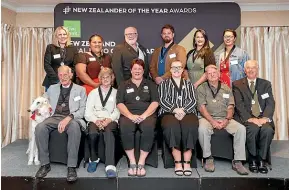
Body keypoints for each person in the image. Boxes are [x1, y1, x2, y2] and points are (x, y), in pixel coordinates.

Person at [35, 65, 87, 182]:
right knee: (40, 127)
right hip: (54, 117)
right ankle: (45, 164)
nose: (63, 77)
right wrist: (39, 110)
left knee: (74, 127)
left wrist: (69, 118)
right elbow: (43, 102)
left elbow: (82, 110)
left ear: (71, 75)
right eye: (60, 75)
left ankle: (71, 166)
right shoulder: (52, 88)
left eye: (65, 75)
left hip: (72, 118)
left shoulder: (80, 90)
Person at [197, 65, 248, 175]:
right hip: (207, 118)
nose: (212, 75)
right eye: (209, 73)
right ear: (206, 75)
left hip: (225, 117)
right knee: (202, 129)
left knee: (241, 129)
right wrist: (212, 121)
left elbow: (230, 106)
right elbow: (202, 108)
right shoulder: (201, 88)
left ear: (219, 74)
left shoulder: (226, 88)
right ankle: (208, 158)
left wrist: (227, 119)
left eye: (214, 73)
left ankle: (238, 161)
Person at [116, 58, 159, 177]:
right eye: (135, 68)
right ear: (131, 70)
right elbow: (119, 103)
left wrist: (144, 115)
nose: (137, 71)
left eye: (140, 69)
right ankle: (132, 162)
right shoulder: (123, 85)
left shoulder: (150, 84)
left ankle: (141, 162)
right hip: (128, 114)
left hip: (147, 114)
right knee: (125, 128)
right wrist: (130, 115)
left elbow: (155, 102)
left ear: (143, 70)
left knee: (148, 129)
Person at [232, 60, 275, 174]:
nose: (251, 70)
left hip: (262, 116)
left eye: (253, 68)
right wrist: (250, 118)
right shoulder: (237, 84)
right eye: (248, 68)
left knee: (267, 130)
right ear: (244, 70)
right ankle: (252, 159)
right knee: (253, 129)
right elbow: (239, 104)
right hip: (247, 117)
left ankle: (262, 160)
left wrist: (265, 118)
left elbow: (270, 103)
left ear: (257, 69)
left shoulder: (266, 84)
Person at [158, 60, 199, 176]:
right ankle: (177, 162)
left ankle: (187, 162)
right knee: (172, 126)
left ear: (182, 70)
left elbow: (193, 100)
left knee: (190, 126)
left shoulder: (189, 84)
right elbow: (162, 100)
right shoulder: (163, 84)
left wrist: (183, 111)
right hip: (169, 112)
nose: (176, 70)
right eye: (174, 67)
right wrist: (175, 110)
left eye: (179, 67)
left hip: (188, 112)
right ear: (170, 70)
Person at [84, 67, 120, 178]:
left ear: (112, 78)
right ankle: (93, 159)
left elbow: (118, 110)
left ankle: (110, 165)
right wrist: (96, 120)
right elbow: (87, 112)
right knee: (93, 133)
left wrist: (109, 119)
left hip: (110, 119)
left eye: (107, 77)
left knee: (109, 132)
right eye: (103, 77)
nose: (105, 79)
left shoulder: (116, 93)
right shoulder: (93, 93)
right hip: (95, 119)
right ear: (100, 79)